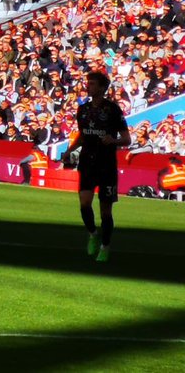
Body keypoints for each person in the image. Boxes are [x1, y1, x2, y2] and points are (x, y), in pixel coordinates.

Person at [62, 71, 130, 263]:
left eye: (92, 84)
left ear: (101, 88)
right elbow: (82, 136)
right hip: (87, 161)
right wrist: (70, 150)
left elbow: (127, 138)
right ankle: (93, 233)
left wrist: (113, 140)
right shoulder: (82, 110)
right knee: (84, 203)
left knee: (105, 211)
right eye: (88, 83)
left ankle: (105, 246)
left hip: (106, 163)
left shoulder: (113, 110)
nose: (88, 86)